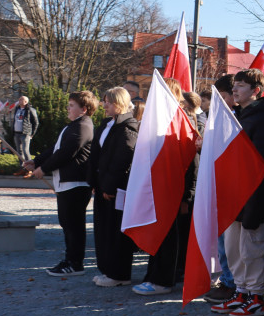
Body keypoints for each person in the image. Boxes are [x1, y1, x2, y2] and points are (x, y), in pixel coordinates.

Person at [209, 69, 264, 316]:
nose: (236, 90)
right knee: (234, 249)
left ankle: (256, 297)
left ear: (256, 90)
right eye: (235, 85)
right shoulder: (239, 116)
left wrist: (256, 200)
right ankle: (241, 291)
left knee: (251, 249)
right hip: (236, 196)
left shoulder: (262, 119)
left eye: (241, 86)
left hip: (254, 197)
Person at [132, 78, 199, 296]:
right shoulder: (160, 120)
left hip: (173, 192)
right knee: (158, 233)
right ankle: (153, 276)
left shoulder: (181, 120)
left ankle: (163, 280)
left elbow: (191, 163)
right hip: (158, 190)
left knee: (168, 237)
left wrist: (186, 198)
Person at [26, 91, 96, 277]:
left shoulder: (83, 126)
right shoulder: (75, 125)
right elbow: (55, 149)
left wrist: (44, 169)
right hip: (68, 184)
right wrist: (37, 162)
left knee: (73, 225)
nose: (68, 108)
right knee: (67, 224)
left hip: (76, 184)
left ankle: (75, 263)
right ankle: (70, 259)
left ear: (84, 109)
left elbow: (67, 152)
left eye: (72, 105)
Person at [89, 87, 139, 288]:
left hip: (116, 189)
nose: (104, 105)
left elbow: (122, 160)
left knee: (116, 232)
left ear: (119, 103)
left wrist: (109, 186)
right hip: (102, 188)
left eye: (108, 101)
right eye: (104, 101)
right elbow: (97, 157)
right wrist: (94, 183)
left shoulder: (128, 127)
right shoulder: (107, 125)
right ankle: (108, 270)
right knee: (104, 230)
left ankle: (119, 273)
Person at [203, 73, 239, 304]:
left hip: (231, 187)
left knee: (230, 242)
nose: (219, 102)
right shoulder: (218, 117)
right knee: (221, 240)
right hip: (218, 185)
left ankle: (232, 283)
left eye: (222, 97)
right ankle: (227, 279)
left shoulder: (236, 119)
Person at [12, 96, 39, 164]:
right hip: (17, 133)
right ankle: (22, 168)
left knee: (25, 150)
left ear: (26, 102)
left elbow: (36, 122)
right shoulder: (17, 109)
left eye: (21, 99)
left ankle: (30, 168)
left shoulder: (30, 110)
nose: (19, 100)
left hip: (25, 133)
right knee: (19, 152)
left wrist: (32, 134)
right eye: (19, 99)